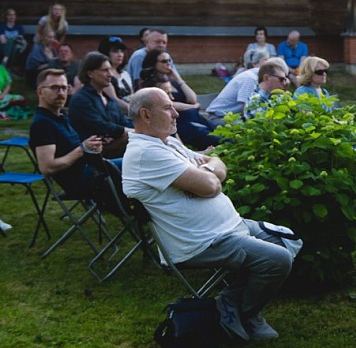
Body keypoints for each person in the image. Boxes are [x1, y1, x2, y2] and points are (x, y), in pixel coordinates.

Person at [123, 87, 294, 341]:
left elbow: (214, 159)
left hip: (228, 226)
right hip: (201, 242)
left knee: (289, 239)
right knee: (278, 259)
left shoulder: (166, 142)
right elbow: (211, 185)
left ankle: (230, 303)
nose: (176, 113)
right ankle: (246, 313)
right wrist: (206, 176)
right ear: (146, 116)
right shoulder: (146, 153)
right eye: (168, 107)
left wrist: (208, 169)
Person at [29, 69, 108, 197]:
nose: (61, 93)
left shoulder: (61, 117)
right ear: (40, 92)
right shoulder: (42, 124)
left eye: (64, 88)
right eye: (55, 88)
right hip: (83, 182)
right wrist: (82, 149)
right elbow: (47, 168)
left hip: (93, 172)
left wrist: (92, 147)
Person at [68, 52, 134, 159]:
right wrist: (135, 132)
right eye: (105, 70)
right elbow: (101, 126)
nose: (110, 74)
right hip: (94, 154)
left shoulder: (109, 100)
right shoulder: (81, 99)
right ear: (90, 73)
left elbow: (124, 121)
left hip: (113, 145)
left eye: (110, 70)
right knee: (138, 139)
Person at [206, 51, 273, 127]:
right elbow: (246, 108)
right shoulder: (250, 78)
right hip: (220, 117)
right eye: (266, 59)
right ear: (254, 63)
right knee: (247, 131)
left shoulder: (256, 77)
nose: (269, 63)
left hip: (233, 116)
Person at [98, 36, 133, 113]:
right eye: (115, 51)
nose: (120, 54)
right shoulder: (104, 75)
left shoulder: (125, 74)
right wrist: (136, 111)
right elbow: (114, 100)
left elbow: (132, 96)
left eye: (122, 51)